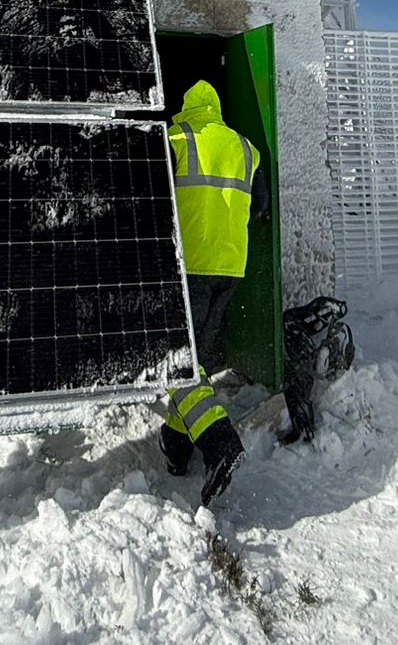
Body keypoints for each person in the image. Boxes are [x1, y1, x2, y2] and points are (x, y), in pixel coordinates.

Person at [160, 79, 267, 505]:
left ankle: (219, 444)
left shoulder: (176, 138)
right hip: (230, 267)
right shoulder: (246, 147)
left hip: (191, 264)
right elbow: (258, 205)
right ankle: (176, 443)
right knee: (196, 361)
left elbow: (153, 198)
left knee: (173, 364)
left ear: (187, 108)